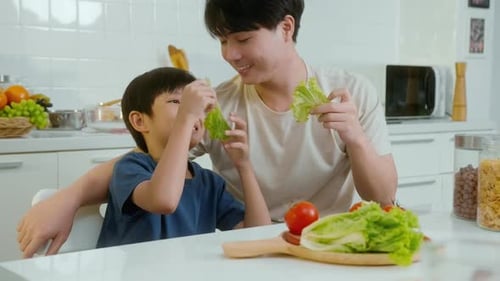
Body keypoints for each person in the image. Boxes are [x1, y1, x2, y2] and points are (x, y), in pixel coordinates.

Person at [17, 0, 397, 257]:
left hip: (326, 253)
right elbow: (148, 163)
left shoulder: (349, 93)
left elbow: (382, 194)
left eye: (243, 39)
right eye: (222, 40)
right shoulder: (220, 105)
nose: (229, 54)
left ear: (285, 28)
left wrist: (356, 139)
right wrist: (67, 197)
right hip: (252, 254)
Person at [96, 67, 270, 248]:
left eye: (196, 107)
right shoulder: (130, 168)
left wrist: (244, 166)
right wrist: (186, 117)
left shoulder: (209, 183)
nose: (194, 112)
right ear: (139, 121)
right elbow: (164, 200)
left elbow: (259, 237)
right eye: (176, 101)